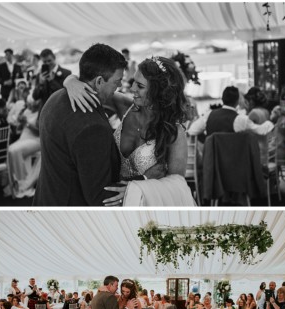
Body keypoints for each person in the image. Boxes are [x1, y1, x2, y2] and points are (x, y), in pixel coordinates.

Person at [64, 53, 194, 206]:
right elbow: (95, 87)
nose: (132, 88)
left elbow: (177, 186)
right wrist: (70, 81)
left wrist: (140, 186)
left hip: (145, 205)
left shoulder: (174, 132)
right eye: (133, 82)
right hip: (110, 200)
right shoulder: (125, 106)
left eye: (140, 86)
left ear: (159, 91)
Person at [34, 44, 124, 206]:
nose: (119, 88)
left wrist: (70, 80)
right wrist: (139, 188)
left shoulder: (55, 98)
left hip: (46, 199)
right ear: (98, 81)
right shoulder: (92, 127)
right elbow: (100, 197)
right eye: (117, 82)